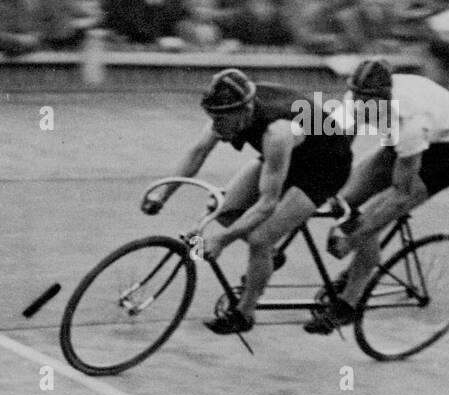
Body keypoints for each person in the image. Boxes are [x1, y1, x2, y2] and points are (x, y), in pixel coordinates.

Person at [143, 68, 354, 333]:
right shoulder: (231, 108)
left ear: (244, 111)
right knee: (218, 207)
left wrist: (222, 240)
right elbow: (197, 153)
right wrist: (161, 196)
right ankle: (269, 258)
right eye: (212, 117)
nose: (215, 125)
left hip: (324, 169)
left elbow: (267, 204)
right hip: (289, 155)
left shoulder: (276, 133)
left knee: (260, 238)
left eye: (221, 119)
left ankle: (245, 314)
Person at [306, 59, 449, 333]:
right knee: (343, 203)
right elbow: (338, 147)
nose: (362, 109)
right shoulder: (356, 99)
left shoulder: (411, 122)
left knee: (371, 219)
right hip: (400, 143)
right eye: (358, 101)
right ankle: (360, 264)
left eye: (369, 104)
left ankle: (348, 305)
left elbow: (399, 193)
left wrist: (353, 237)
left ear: (385, 99)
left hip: (446, 155)